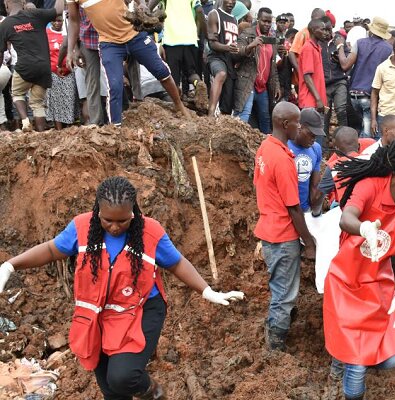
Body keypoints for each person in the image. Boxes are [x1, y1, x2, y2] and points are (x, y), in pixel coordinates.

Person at [0, 176, 244, 399]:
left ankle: (153, 393)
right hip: (99, 315)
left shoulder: (151, 232)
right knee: (110, 387)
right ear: (97, 212)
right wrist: (10, 266)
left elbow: (177, 263)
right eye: (108, 220)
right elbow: (53, 249)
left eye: (122, 221)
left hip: (142, 311)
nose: (115, 227)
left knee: (123, 377)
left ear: (134, 213)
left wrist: (207, 291)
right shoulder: (82, 227)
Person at [323, 135, 395, 400]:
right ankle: (349, 375)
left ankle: (343, 356)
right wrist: (363, 227)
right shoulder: (369, 187)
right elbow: (346, 217)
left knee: (391, 359)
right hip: (348, 285)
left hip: (379, 288)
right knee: (358, 364)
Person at [254, 101, 316, 352]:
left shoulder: (265, 148)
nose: (299, 126)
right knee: (284, 294)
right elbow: (293, 207)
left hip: (269, 230)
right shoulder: (282, 159)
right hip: (282, 235)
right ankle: (275, 346)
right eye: (297, 122)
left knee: (280, 286)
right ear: (284, 124)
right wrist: (309, 242)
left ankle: (278, 330)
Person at [66, 0, 188, 126]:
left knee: (161, 70)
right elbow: (74, 21)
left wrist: (142, 4)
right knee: (115, 86)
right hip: (109, 43)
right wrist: (71, 51)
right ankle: (116, 127)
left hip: (134, 34)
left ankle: (179, 105)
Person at [0, 0, 64, 132]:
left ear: (6, 5)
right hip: (44, 68)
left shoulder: (5, 24)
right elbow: (58, 10)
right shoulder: (35, 14)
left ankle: (25, 121)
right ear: (23, 3)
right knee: (38, 104)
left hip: (24, 68)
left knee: (17, 94)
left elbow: (1, 52)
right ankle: (41, 134)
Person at [336, 16, 392, 138]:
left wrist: (339, 46)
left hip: (353, 94)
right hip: (371, 96)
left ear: (371, 30)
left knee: (358, 129)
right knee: (367, 134)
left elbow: (345, 65)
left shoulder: (360, 43)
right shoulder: (389, 49)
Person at [233, 7, 281, 134]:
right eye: (264, 21)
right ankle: (238, 140)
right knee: (244, 114)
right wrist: (250, 46)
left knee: (265, 118)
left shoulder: (272, 39)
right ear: (258, 20)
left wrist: (276, 85)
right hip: (249, 83)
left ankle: (266, 146)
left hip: (263, 86)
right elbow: (235, 53)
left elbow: (273, 66)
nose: (267, 24)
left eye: (269, 22)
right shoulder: (248, 33)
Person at [150, 0, 203, 96]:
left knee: (173, 78)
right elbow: (199, 10)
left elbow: (153, 3)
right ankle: (199, 84)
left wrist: (147, 11)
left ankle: (177, 106)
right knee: (191, 73)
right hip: (190, 39)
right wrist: (205, 34)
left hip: (171, 39)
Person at [204, 0, 239, 117]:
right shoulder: (214, 14)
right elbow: (212, 44)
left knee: (227, 106)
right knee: (221, 73)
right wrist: (228, 47)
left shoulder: (235, 19)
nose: (231, 2)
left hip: (230, 61)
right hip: (216, 57)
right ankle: (210, 113)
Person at [287, 108, 324, 215]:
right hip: (286, 212)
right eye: (311, 134)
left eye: (316, 136)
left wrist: (315, 215)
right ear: (300, 127)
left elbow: (314, 186)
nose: (313, 139)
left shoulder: (316, 149)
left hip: (305, 211)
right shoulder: (284, 146)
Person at [46, 14, 79, 129]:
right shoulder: (46, 34)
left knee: (69, 101)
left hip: (69, 71)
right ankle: (59, 130)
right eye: (54, 21)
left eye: (59, 21)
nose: (57, 23)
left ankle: (70, 128)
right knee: (56, 102)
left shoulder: (69, 32)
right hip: (54, 73)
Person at [321, 15, 349, 136]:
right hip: (324, 84)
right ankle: (324, 147)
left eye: (329, 29)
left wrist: (340, 55)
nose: (327, 33)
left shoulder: (339, 41)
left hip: (339, 82)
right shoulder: (317, 43)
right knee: (325, 116)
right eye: (324, 30)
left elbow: (348, 60)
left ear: (332, 27)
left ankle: (345, 140)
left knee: (341, 110)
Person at [298, 18, 327, 117]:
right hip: (310, 102)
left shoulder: (316, 47)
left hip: (315, 102)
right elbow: (307, 77)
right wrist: (318, 99)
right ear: (314, 30)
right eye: (322, 29)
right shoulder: (308, 48)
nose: (325, 32)